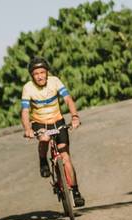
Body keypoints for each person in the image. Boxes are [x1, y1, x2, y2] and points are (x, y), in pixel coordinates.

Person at [20, 56, 85, 207]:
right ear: (32, 76)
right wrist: (27, 129)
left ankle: (76, 192)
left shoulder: (55, 81)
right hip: (39, 122)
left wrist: (75, 117)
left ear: (47, 72)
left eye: (42, 72)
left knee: (66, 158)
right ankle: (43, 160)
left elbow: (68, 99)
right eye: (36, 74)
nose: (40, 76)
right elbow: (25, 110)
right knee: (44, 138)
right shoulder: (28, 88)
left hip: (57, 121)